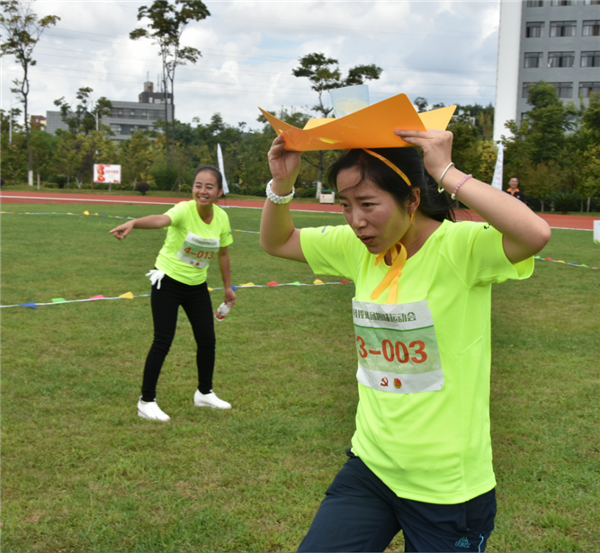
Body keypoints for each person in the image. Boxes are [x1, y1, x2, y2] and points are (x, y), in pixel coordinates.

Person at [260, 130, 551, 552]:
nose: (355, 220)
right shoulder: (359, 247)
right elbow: (277, 241)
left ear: (411, 200)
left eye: (368, 204)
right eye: (346, 206)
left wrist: (447, 172)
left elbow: (535, 234)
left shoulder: (460, 248)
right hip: (372, 468)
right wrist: (282, 186)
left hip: (447, 489)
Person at [109, 165, 236, 422]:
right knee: (163, 340)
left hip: (196, 286)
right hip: (166, 282)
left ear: (219, 191)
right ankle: (146, 401)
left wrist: (227, 286)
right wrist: (135, 222)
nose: (202, 191)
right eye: (198, 185)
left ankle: (204, 392)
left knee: (207, 340)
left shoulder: (222, 217)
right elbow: (161, 220)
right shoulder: (183, 209)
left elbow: (223, 253)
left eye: (209, 186)